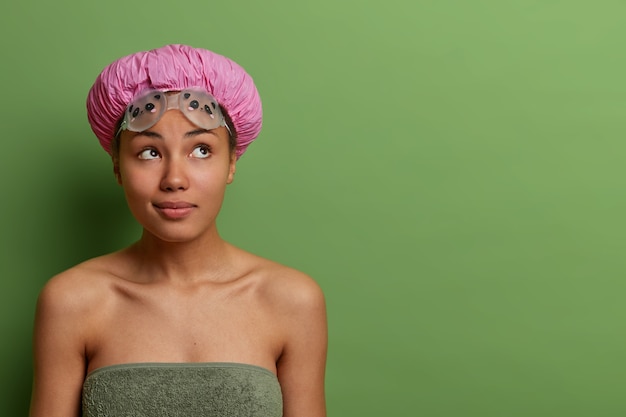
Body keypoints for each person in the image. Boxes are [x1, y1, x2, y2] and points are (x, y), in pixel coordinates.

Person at [29, 44, 327, 417]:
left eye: (201, 150)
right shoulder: (71, 302)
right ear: (118, 168)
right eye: (149, 152)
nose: (174, 179)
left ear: (231, 163)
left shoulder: (292, 300)